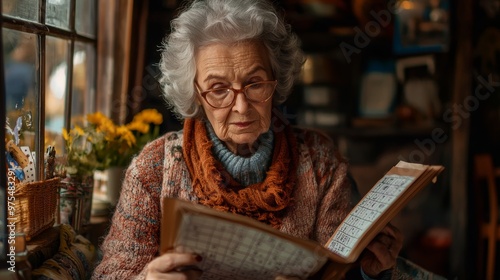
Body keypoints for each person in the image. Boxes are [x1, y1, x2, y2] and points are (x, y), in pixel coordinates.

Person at [92, 0, 406, 279]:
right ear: (196, 95)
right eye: (218, 89)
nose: (241, 107)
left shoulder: (320, 161)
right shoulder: (154, 168)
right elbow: (111, 273)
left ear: (276, 79)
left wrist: (370, 272)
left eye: (255, 83)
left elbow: (342, 269)